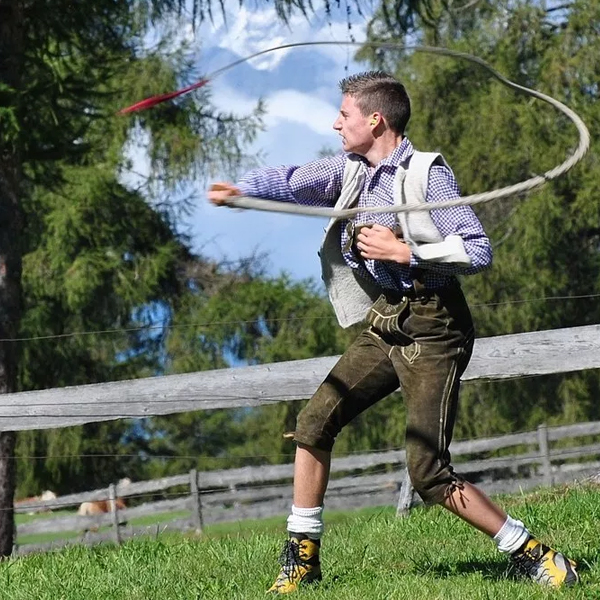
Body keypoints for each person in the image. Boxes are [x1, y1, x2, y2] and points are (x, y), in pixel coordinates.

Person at [207, 71, 578, 593]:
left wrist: (408, 252)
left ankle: (532, 553)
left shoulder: (428, 175)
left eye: (345, 115)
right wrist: (240, 190)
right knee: (314, 423)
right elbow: (292, 180)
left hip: (435, 326)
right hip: (385, 319)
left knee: (427, 471)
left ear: (375, 119)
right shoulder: (351, 170)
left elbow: (477, 250)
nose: (336, 124)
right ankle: (302, 561)